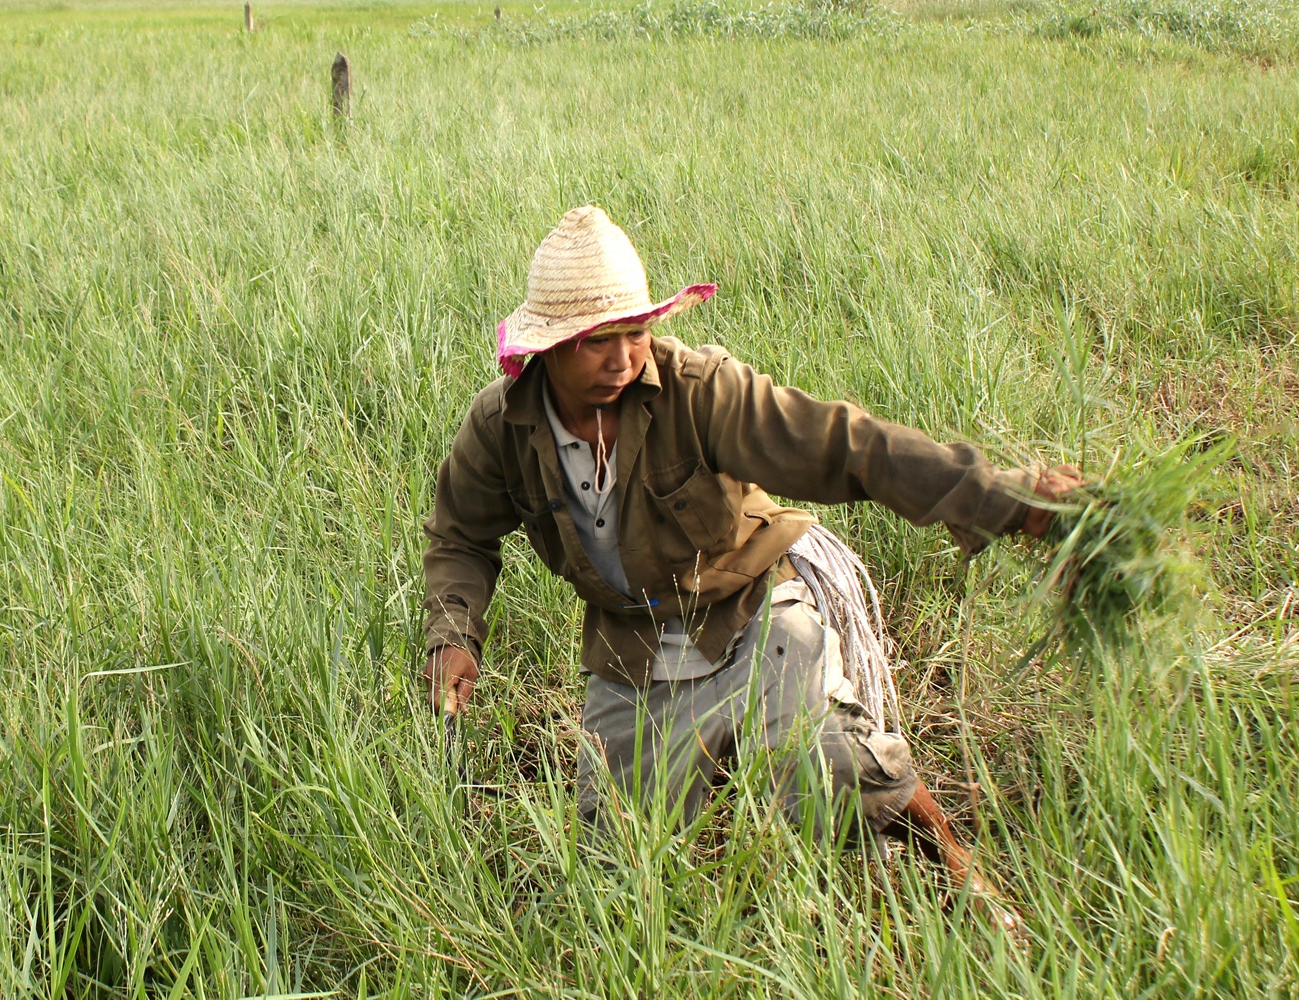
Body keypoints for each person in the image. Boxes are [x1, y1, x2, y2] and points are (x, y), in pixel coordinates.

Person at [421, 205, 1080, 936]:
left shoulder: (698, 390)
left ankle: (956, 860)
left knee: (841, 771)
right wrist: (454, 634)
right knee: (611, 872)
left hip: (749, 608)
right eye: (597, 342)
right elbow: (461, 535)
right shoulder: (500, 428)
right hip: (634, 646)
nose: (623, 358)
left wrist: (1000, 497)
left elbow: (844, 446)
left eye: (636, 333)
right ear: (550, 347)